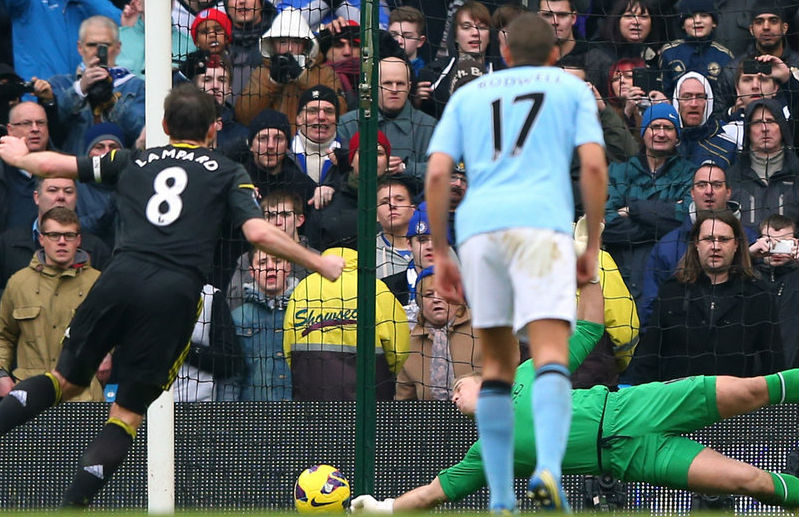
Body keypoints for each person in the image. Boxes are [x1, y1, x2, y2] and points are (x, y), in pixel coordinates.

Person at [0, 83, 345, 508]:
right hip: (174, 291)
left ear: (164, 125)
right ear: (213, 130)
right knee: (126, 414)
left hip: (119, 276)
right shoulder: (226, 171)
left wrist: (21, 157)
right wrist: (319, 262)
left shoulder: (135, 159)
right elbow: (256, 232)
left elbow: (68, 164)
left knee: (63, 381)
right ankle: (70, 508)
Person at [424, 12, 607, 512]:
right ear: (555, 54)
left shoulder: (468, 95)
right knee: (549, 354)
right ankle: (548, 468)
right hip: (541, 227)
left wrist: (441, 249)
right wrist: (590, 244)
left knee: (499, 366)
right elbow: (593, 164)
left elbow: (437, 174)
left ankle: (502, 498)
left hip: (481, 232)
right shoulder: (568, 90)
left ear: (502, 53)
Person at [351, 359, 799, 512]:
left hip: (634, 406)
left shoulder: (527, 371)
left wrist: (589, 258)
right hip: (634, 459)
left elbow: (587, 326)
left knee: (752, 389)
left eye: (456, 387)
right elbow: (433, 494)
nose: (453, 396)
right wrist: (383, 508)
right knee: (751, 483)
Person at [627, 210, 785, 383]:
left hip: (735, 402)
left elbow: (773, 363)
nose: (715, 246)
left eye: (724, 239)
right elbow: (649, 356)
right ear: (696, 243)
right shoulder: (672, 291)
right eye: (708, 239)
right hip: (679, 399)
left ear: (736, 245)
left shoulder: (758, 294)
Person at [0, 207, 104, 402]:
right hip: (30, 396)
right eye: (54, 235)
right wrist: (1, 374)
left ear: (79, 240)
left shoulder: (99, 283)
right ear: (41, 239)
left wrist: (109, 355)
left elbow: (118, 333)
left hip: (84, 397)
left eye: (69, 235)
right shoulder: (19, 283)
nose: (62, 241)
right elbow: (3, 336)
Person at [283, 247, 409, 401]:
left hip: (312, 395)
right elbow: (399, 350)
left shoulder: (303, 288)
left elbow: (289, 345)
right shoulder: (376, 288)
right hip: (368, 399)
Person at [639, 163, 758, 324]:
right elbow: (650, 307)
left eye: (716, 185)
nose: (709, 191)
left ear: (728, 192)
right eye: (702, 185)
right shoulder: (667, 246)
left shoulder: (751, 240)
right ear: (692, 193)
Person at [603, 103, 696, 301]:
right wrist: (662, 219)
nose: (661, 134)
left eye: (668, 127)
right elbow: (606, 224)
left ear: (677, 136)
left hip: (673, 276)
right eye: (655, 127)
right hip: (624, 276)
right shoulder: (619, 171)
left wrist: (633, 209)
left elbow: (686, 218)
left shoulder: (689, 173)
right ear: (644, 133)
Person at [235, 7, 345, 131]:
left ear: (306, 44)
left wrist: (302, 77)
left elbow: (340, 111)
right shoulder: (262, 73)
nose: (289, 49)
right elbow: (244, 116)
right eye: (282, 42)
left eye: (296, 42)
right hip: (273, 143)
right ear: (272, 44)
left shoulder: (325, 73)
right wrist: (272, 82)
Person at [0, 176, 112, 295]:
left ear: (76, 198)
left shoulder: (95, 249)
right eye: (52, 190)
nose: (61, 197)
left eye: (68, 191)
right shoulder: (8, 244)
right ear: (37, 197)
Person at [338, 56, 438, 187]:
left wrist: (404, 168)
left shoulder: (429, 126)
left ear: (409, 86)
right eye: (387, 83)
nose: (394, 90)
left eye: (400, 83)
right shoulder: (348, 123)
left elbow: (443, 172)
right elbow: (339, 170)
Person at [395, 266, 482, 401]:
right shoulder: (411, 344)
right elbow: (404, 405)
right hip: (430, 421)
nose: (436, 299)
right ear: (420, 303)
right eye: (429, 294)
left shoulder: (484, 330)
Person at [230, 249, 295, 401]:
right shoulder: (238, 317)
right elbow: (231, 378)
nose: (270, 267)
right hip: (255, 416)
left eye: (277, 261)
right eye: (262, 263)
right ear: (252, 272)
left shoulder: (303, 313)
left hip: (299, 417)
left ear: (288, 267)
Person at [727, 98, 799, 228]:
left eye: (771, 121)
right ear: (748, 131)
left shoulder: (796, 173)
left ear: (782, 127)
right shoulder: (731, 178)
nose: (764, 128)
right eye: (757, 122)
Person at [749, 214, 799, 368]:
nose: (777, 251)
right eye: (770, 242)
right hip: (753, 371)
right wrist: (749, 254)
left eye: (783, 243)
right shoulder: (748, 275)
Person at [658, 0, 734, 98]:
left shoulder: (724, 55)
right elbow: (664, 92)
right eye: (690, 16)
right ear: (682, 24)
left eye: (704, 15)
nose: (697, 20)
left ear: (714, 23)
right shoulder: (669, 52)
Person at [0, 102, 50, 232]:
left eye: (40, 123)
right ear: (10, 130)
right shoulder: (2, 171)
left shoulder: (62, 168)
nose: (35, 129)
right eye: (26, 123)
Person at [671, 72, 737, 168]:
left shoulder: (727, 146)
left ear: (708, 101)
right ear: (677, 101)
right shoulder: (665, 140)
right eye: (687, 97)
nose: (694, 104)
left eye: (700, 97)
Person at [376, 176, 416, 279]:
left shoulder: (436, 246)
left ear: (413, 210)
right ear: (376, 215)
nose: (392, 205)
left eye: (399, 199)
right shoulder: (366, 252)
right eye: (384, 202)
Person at [388, 6, 427, 76]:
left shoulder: (426, 74)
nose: (399, 41)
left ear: (420, 41)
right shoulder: (377, 67)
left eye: (407, 36)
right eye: (394, 35)